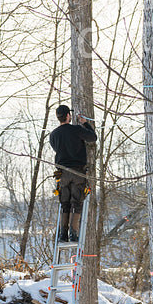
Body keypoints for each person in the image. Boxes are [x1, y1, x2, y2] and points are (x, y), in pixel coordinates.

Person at [48, 104, 98, 243]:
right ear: (68, 116)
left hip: (62, 173)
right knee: (76, 202)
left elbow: (55, 148)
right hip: (78, 172)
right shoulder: (76, 130)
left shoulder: (54, 134)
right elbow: (93, 138)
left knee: (65, 203)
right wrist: (85, 124)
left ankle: (63, 234)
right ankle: (73, 233)